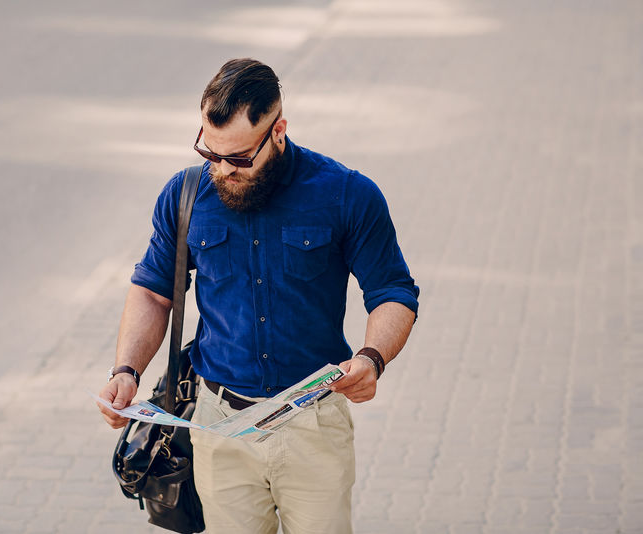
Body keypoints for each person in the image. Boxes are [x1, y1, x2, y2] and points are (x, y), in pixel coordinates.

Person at [98, 58, 419, 534]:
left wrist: (373, 358)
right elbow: (153, 292)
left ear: (279, 131)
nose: (223, 170)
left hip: (311, 424)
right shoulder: (184, 196)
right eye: (211, 153)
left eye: (240, 158)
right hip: (217, 426)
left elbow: (393, 290)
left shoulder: (346, 194)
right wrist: (126, 370)